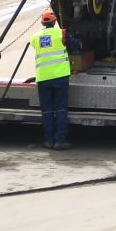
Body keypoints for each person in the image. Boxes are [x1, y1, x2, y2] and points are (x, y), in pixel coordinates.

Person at [31, 9, 76, 149]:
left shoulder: (35, 37)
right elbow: (75, 44)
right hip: (60, 76)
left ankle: (49, 140)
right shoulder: (61, 33)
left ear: (42, 23)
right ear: (55, 21)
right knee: (61, 109)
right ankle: (60, 141)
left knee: (47, 110)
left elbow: (36, 45)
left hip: (43, 77)